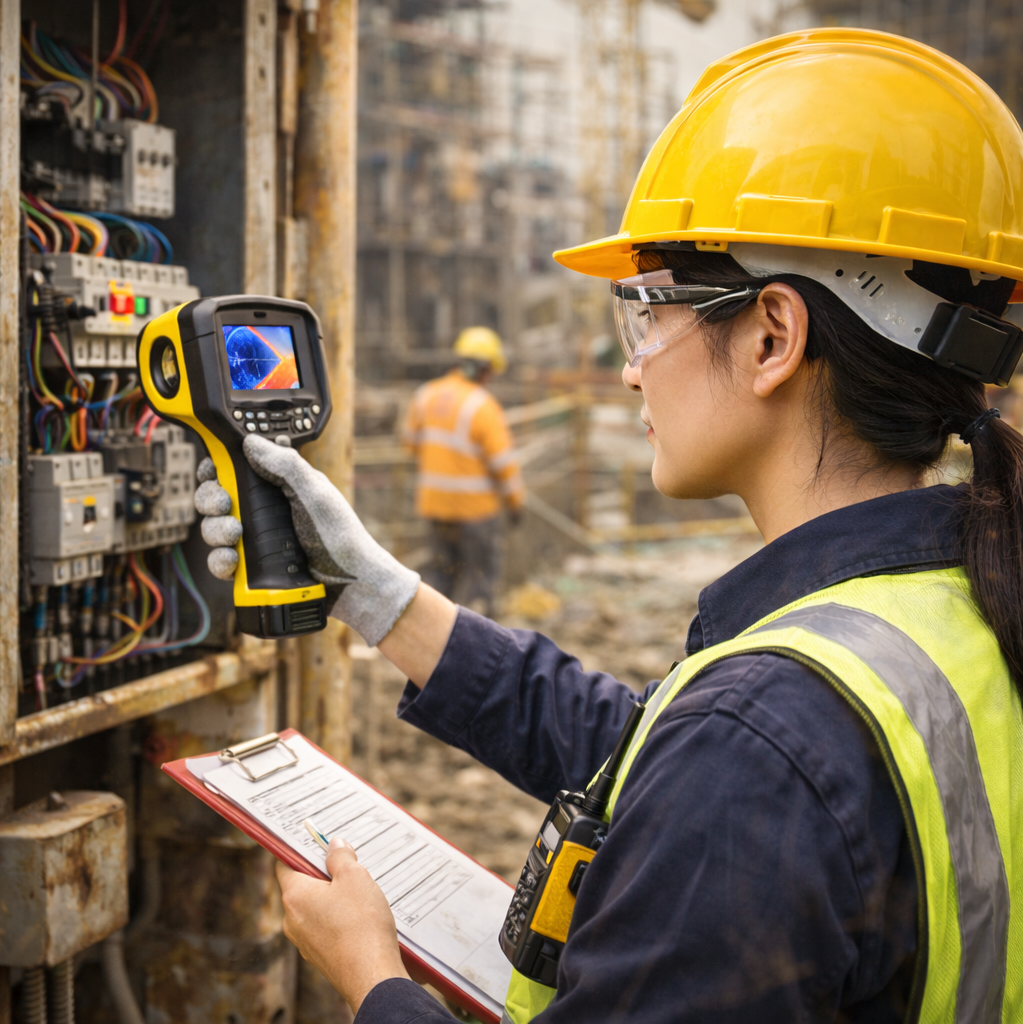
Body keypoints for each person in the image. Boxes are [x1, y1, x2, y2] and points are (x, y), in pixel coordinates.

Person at [194, 28, 1023, 1024]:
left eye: (645, 312)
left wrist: (374, 979)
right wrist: (375, 593)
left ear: (772, 335)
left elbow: (728, 765)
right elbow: (653, 747)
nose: (632, 366)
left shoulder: (761, 741)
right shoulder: (951, 613)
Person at [400, 326, 524, 617]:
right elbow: (503, 464)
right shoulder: (482, 406)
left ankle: (431, 640)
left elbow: (409, 445)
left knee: (440, 578)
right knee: (480, 583)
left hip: (435, 508)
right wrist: (516, 503)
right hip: (476, 513)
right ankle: (478, 648)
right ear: (483, 369)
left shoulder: (424, 396)